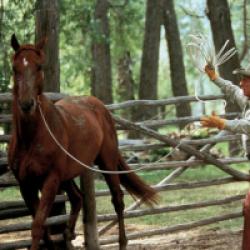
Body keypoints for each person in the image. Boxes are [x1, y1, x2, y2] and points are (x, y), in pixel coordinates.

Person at [201, 65, 250, 158]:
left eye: (246, 80)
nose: (241, 83)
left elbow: (247, 126)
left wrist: (222, 123)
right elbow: (233, 90)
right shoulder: (246, 98)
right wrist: (215, 77)